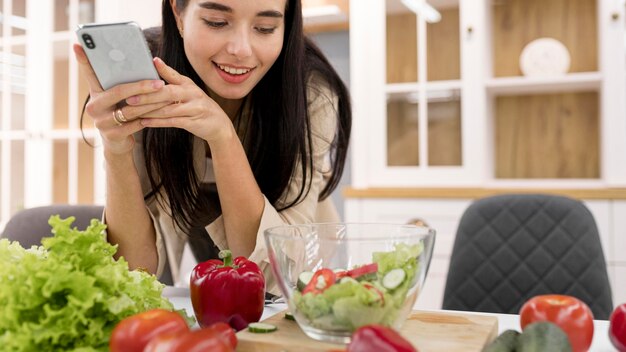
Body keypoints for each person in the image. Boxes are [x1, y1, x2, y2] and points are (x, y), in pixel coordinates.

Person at [72, 0, 351, 292]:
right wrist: (116, 147)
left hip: (292, 269)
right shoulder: (150, 78)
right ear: (178, 14)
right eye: (217, 22)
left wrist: (222, 136)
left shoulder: (310, 92)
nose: (241, 49)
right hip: (202, 251)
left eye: (265, 28)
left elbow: (269, 278)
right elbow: (134, 269)